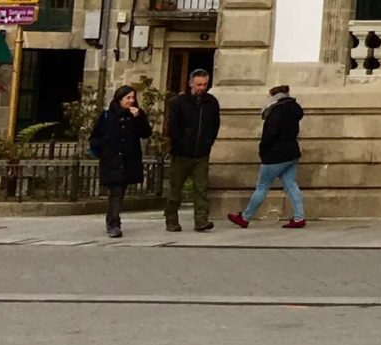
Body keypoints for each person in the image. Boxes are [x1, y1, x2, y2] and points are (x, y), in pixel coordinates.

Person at [228, 86, 307, 229]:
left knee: (262, 186)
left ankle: (245, 218)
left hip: (275, 154)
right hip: (292, 152)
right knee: (291, 184)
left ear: (274, 97)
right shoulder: (294, 109)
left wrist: (263, 151)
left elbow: (270, 134)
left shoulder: (276, 111)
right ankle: (299, 217)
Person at [163, 66, 221, 233]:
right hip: (181, 153)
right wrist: (178, 143)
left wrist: (208, 142)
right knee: (175, 189)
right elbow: (172, 126)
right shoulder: (179, 102)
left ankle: (201, 220)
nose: (202, 88)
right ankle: (171, 219)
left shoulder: (211, 102)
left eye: (204, 84)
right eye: (198, 84)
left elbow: (215, 124)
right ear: (191, 84)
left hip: (201, 152)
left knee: (201, 188)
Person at [87, 85, 149, 239]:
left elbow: (145, 133)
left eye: (133, 98)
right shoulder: (107, 116)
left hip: (128, 160)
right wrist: (102, 148)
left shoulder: (135, 115)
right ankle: (114, 224)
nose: (131, 101)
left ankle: (112, 220)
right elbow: (95, 136)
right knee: (115, 192)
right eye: (128, 98)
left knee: (120, 192)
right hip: (112, 160)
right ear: (120, 99)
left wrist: (139, 117)